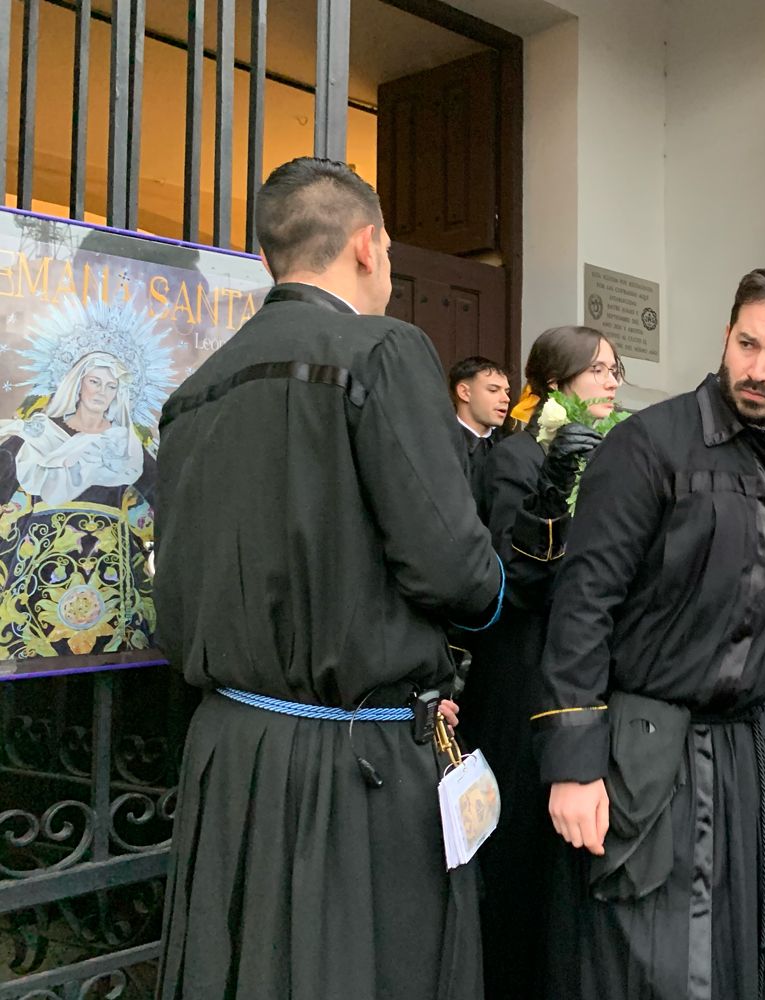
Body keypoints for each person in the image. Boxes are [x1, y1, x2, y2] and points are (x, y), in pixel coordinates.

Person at [153, 157, 502, 1000]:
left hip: (229, 749)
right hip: (354, 765)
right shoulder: (383, 349)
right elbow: (454, 569)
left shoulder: (193, 392)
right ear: (369, 244)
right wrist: (491, 595)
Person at [533, 266, 765, 1000]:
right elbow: (582, 605)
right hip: (649, 751)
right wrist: (573, 762)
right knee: (657, 965)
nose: (757, 368)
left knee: (742, 956)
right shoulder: (646, 447)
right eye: (746, 343)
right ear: (727, 335)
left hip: (749, 752)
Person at [463, 325, 622, 1000]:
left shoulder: (613, 452)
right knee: (527, 846)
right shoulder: (517, 457)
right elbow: (512, 578)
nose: (614, 381)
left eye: (617, 369)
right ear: (556, 383)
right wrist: (554, 487)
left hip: (588, 669)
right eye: (599, 370)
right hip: (527, 675)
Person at [0, 339, 161, 663]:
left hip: (111, 584)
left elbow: (160, 502)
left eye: (110, 386)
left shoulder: (127, 447)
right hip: (40, 576)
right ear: (78, 384)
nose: (101, 392)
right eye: (94, 382)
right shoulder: (37, 437)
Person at [448, 355, 510, 519]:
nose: (506, 398)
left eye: (506, 391)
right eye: (493, 390)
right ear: (464, 392)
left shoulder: (512, 447)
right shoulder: (439, 444)